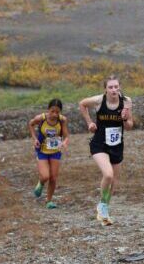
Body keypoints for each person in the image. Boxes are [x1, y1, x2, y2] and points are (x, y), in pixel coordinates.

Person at [79, 76, 133, 225]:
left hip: (116, 145)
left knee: (113, 183)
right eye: (110, 87)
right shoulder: (99, 101)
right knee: (108, 175)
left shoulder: (127, 101)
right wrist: (89, 123)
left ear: (119, 87)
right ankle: (102, 206)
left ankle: (104, 212)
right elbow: (82, 104)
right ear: (106, 89)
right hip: (99, 144)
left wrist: (124, 118)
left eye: (116, 86)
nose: (114, 90)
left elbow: (129, 126)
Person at [28, 99, 69, 209]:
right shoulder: (40, 118)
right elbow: (30, 124)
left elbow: (66, 136)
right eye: (52, 111)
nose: (54, 114)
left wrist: (65, 142)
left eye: (57, 112)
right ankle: (40, 184)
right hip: (42, 150)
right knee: (45, 176)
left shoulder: (62, 120)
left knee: (53, 178)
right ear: (48, 110)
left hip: (55, 151)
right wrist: (34, 138)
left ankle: (49, 200)